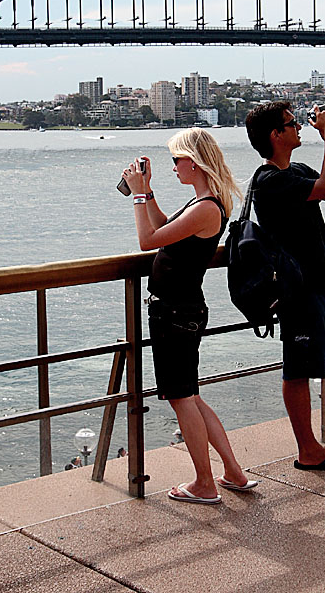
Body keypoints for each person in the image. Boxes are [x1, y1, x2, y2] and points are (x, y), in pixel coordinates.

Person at [121, 127, 258, 504]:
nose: (174, 167)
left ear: (194, 163)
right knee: (192, 397)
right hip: (184, 309)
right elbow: (166, 228)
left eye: (176, 160)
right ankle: (232, 472)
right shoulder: (206, 203)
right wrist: (147, 192)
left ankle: (204, 484)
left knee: (182, 399)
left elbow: (149, 240)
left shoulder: (206, 208)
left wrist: (136, 197)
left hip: (174, 312)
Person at [245, 102, 325, 471]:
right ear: (276, 135)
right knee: (298, 370)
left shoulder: (296, 170)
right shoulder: (269, 181)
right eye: (291, 123)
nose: (298, 126)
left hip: (323, 285)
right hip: (297, 291)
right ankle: (308, 449)